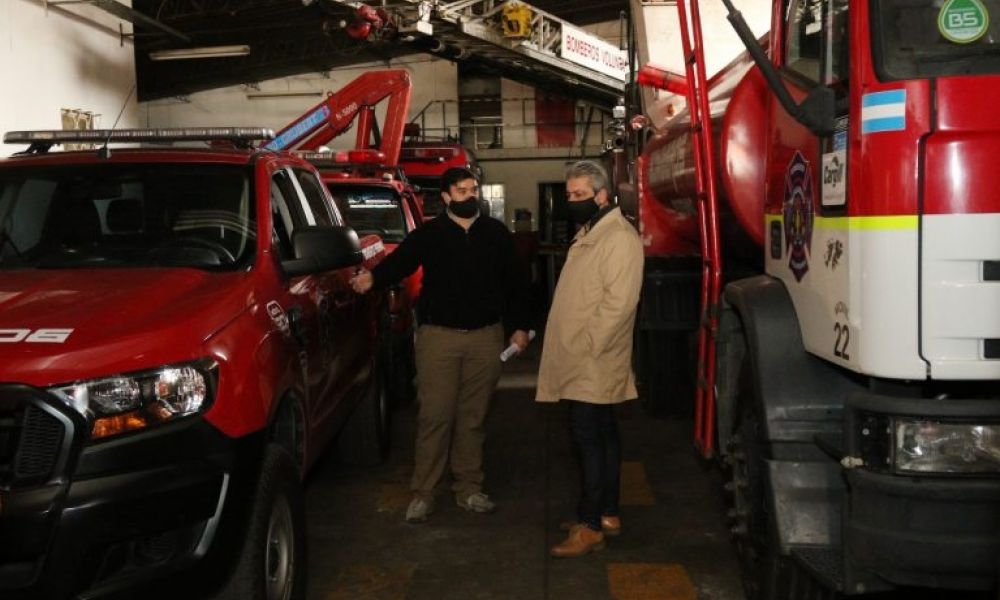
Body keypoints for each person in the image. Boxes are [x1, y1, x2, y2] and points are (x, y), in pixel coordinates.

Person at [350, 166, 532, 524]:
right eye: (462, 191)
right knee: (435, 416)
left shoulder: (495, 233)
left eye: (473, 190)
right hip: (439, 339)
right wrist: (372, 278)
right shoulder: (430, 234)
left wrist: (520, 327)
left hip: (485, 338)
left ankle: (469, 488)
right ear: (446, 197)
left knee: (473, 418)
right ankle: (424, 492)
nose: (470, 196)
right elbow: (399, 263)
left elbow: (517, 283)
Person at [535, 160, 643, 558]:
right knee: (603, 435)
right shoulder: (594, 231)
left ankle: (590, 524)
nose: (572, 202)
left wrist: (586, 347)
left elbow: (619, 304)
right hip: (588, 356)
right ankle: (608, 511)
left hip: (592, 358)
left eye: (580, 195)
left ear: (602, 195)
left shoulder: (618, 237)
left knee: (588, 441)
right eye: (569, 196)